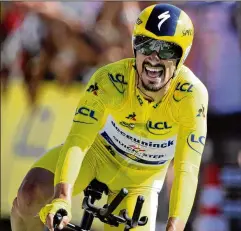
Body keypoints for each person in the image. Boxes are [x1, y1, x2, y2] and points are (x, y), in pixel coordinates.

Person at [10, 3, 208, 231]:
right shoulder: (110, 80)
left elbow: (187, 167)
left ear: (182, 57)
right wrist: (62, 197)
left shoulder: (192, 96)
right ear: (134, 47)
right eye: (146, 44)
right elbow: (78, 139)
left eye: (166, 50)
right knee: (30, 195)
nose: (154, 57)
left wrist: (176, 224)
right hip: (98, 155)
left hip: (139, 182)